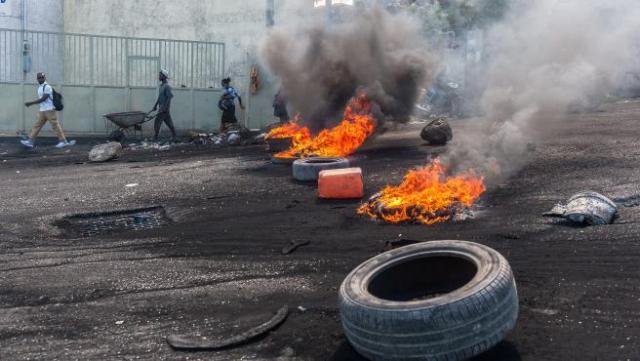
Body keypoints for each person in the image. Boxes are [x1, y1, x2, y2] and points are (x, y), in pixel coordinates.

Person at [21, 72, 75, 148]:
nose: (40, 79)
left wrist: (30, 103)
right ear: (37, 79)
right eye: (39, 78)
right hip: (42, 110)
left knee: (55, 125)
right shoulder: (40, 87)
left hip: (50, 110)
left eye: (42, 77)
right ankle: (30, 141)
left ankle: (63, 141)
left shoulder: (47, 87)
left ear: (45, 78)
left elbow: (43, 99)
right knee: (37, 125)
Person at [152, 69, 177, 142]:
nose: (159, 76)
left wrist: (165, 108)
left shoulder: (167, 86)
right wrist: (155, 105)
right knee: (169, 123)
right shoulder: (161, 86)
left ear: (164, 76)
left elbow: (169, 97)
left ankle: (155, 137)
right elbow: (159, 97)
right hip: (162, 108)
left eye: (160, 75)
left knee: (157, 122)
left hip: (163, 109)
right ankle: (175, 136)